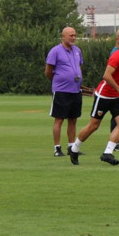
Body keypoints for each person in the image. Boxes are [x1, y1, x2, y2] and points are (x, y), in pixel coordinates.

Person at [68, 30, 119, 166]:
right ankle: (74, 148)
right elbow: (107, 76)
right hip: (104, 95)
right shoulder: (117, 56)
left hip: (116, 97)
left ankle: (107, 153)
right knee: (94, 126)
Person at [45, 27, 84, 157]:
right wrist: (58, 81)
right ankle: (57, 148)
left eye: (75, 35)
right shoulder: (55, 51)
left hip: (75, 90)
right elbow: (48, 71)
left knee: (73, 119)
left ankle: (71, 147)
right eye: (71, 35)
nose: (73, 37)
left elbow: (79, 67)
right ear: (63, 37)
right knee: (59, 119)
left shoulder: (77, 50)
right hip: (61, 90)